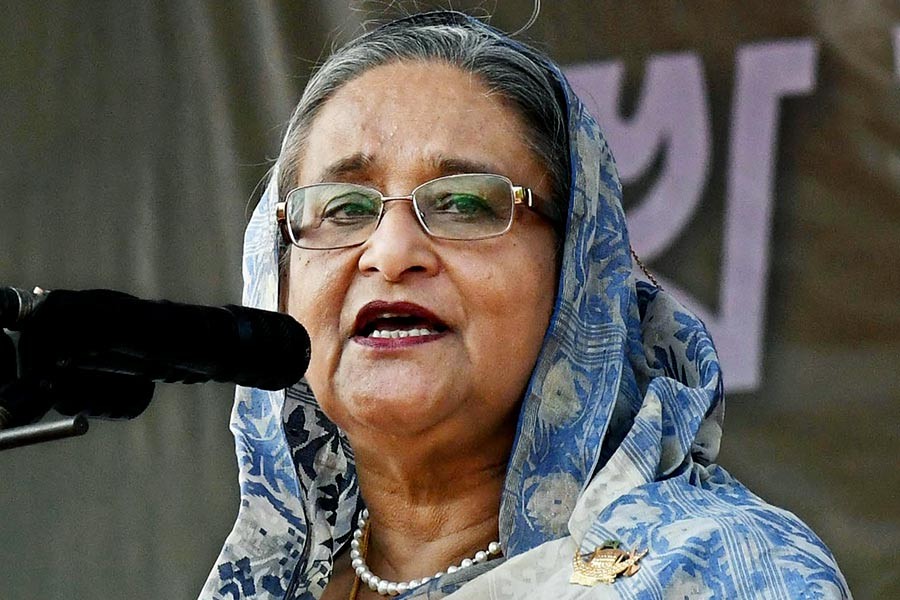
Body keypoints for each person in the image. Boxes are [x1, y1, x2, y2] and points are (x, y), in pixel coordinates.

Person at [203, 11, 850, 600]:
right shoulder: (270, 588)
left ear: (580, 274)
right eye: (342, 208)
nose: (391, 252)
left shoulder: (718, 572)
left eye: (462, 203)